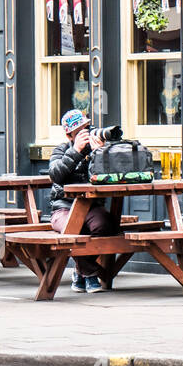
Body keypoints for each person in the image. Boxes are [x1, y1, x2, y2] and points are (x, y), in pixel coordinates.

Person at [48, 109, 122, 294]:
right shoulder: (62, 150)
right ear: (69, 134)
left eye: (87, 128)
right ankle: (90, 275)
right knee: (75, 228)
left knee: (106, 225)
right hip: (62, 208)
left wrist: (101, 154)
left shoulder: (98, 148)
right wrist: (75, 152)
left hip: (92, 206)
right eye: (80, 131)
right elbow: (56, 175)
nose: (86, 133)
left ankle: (80, 271)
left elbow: (112, 175)